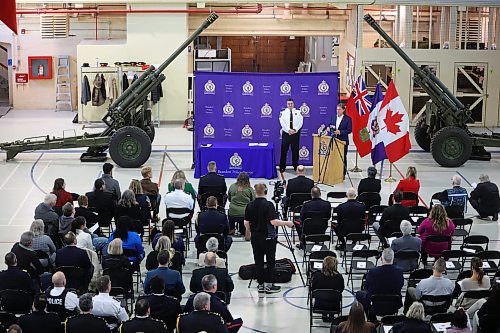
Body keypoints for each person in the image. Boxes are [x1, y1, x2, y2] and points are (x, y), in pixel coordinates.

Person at [244, 183, 294, 295]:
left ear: (255, 192)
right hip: (268, 238)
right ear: (266, 191)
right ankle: (269, 285)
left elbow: (246, 222)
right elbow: (273, 222)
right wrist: (287, 223)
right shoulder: (269, 205)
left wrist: (251, 231)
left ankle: (260, 284)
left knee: (258, 261)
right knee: (270, 261)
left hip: (256, 237)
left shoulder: (250, 205)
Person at [355, 248, 404, 314]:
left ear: (381, 258)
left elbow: (366, 287)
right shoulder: (399, 272)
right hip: (393, 304)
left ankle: (371, 318)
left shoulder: (373, 272)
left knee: (359, 294)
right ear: (393, 258)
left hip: (375, 304)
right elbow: (401, 285)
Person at [279, 98, 304, 176]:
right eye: (288, 103)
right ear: (286, 104)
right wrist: (288, 130)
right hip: (286, 134)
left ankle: (295, 166)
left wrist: (295, 130)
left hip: (295, 134)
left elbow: (301, 122)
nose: (290, 105)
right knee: (284, 150)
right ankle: (282, 166)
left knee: (295, 150)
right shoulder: (282, 113)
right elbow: (282, 123)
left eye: (291, 103)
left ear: (293, 104)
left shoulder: (299, 112)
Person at [227, 172, 255, 236]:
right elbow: (253, 201)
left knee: (230, 215)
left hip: (232, 213)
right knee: (243, 229)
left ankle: (231, 229)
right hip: (244, 214)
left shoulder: (232, 186)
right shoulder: (250, 189)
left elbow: (229, 198)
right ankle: (242, 230)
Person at [331, 102, 352, 177]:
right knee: (334, 157)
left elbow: (349, 130)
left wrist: (340, 132)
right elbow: (331, 126)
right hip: (334, 140)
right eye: (337, 109)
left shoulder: (348, 119)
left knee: (343, 157)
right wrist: (329, 128)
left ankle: (343, 173)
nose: (337, 111)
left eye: (339, 109)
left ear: (343, 110)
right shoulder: (333, 117)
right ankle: (334, 171)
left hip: (343, 141)